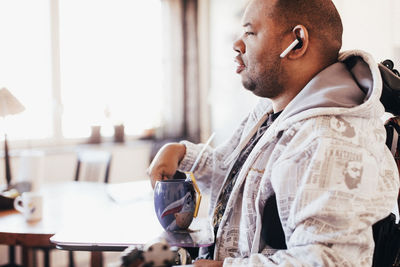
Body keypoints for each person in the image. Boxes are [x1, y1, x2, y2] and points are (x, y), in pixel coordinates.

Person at [147, 0, 400, 266]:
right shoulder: (272, 110)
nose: (237, 44)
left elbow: (330, 260)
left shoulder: (328, 141)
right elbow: (237, 177)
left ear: (297, 42)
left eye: (249, 33)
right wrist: (181, 154)